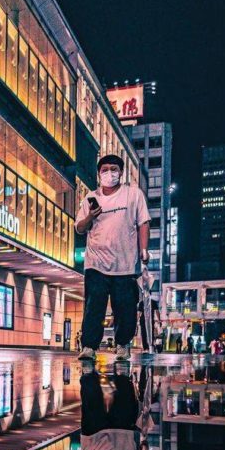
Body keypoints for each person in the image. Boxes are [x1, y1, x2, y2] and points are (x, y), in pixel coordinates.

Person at [75, 154, 150, 362]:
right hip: (96, 262)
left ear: (121, 172)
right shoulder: (91, 197)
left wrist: (144, 250)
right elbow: (80, 228)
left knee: (125, 307)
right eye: (105, 169)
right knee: (94, 307)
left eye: (114, 169)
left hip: (125, 264)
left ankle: (123, 345)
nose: (110, 173)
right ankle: (89, 346)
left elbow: (143, 223)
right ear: (99, 174)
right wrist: (91, 216)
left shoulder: (133, 195)